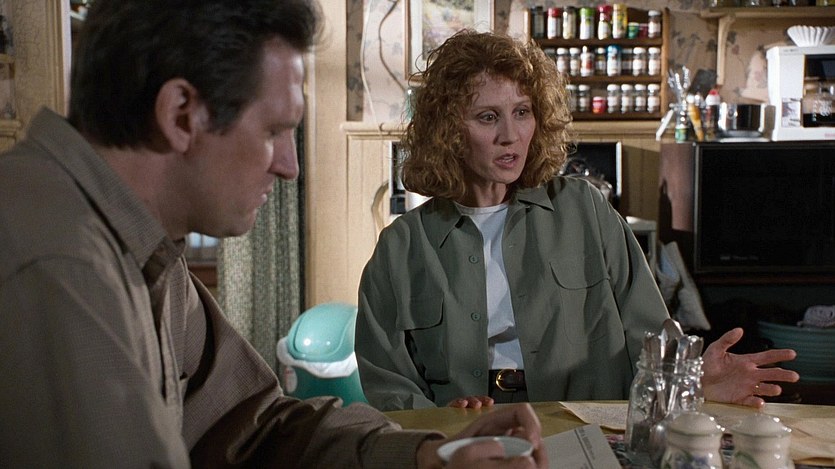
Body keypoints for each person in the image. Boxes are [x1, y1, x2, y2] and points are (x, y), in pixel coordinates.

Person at [0, 3, 548, 467]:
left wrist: (429, 455)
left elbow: (254, 425)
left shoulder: (140, 243)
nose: (290, 166)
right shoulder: (60, 264)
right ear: (182, 114)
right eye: (275, 130)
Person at [355, 30, 799, 412]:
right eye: (488, 117)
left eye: (522, 112)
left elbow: (650, 334)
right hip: (469, 438)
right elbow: (387, 379)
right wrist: (439, 423)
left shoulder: (583, 209)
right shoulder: (401, 247)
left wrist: (691, 383)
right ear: (449, 131)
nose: (511, 135)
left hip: (585, 423)